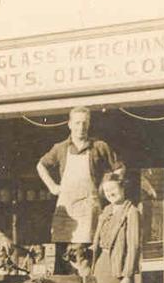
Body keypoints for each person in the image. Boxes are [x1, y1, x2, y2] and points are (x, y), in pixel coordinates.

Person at [36, 106, 124, 273]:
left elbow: (119, 169)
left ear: (89, 124)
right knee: (63, 255)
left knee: (87, 257)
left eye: (84, 123)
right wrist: (53, 187)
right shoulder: (60, 148)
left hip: (89, 208)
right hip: (66, 209)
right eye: (77, 123)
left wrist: (105, 187)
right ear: (69, 124)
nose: (81, 127)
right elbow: (41, 165)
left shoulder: (99, 146)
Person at [91, 173, 141, 283]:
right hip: (101, 265)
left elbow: (133, 247)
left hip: (118, 267)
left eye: (113, 189)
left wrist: (127, 276)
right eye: (107, 190)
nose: (110, 193)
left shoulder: (131, 212)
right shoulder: (106, 210)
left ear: (123, 188)